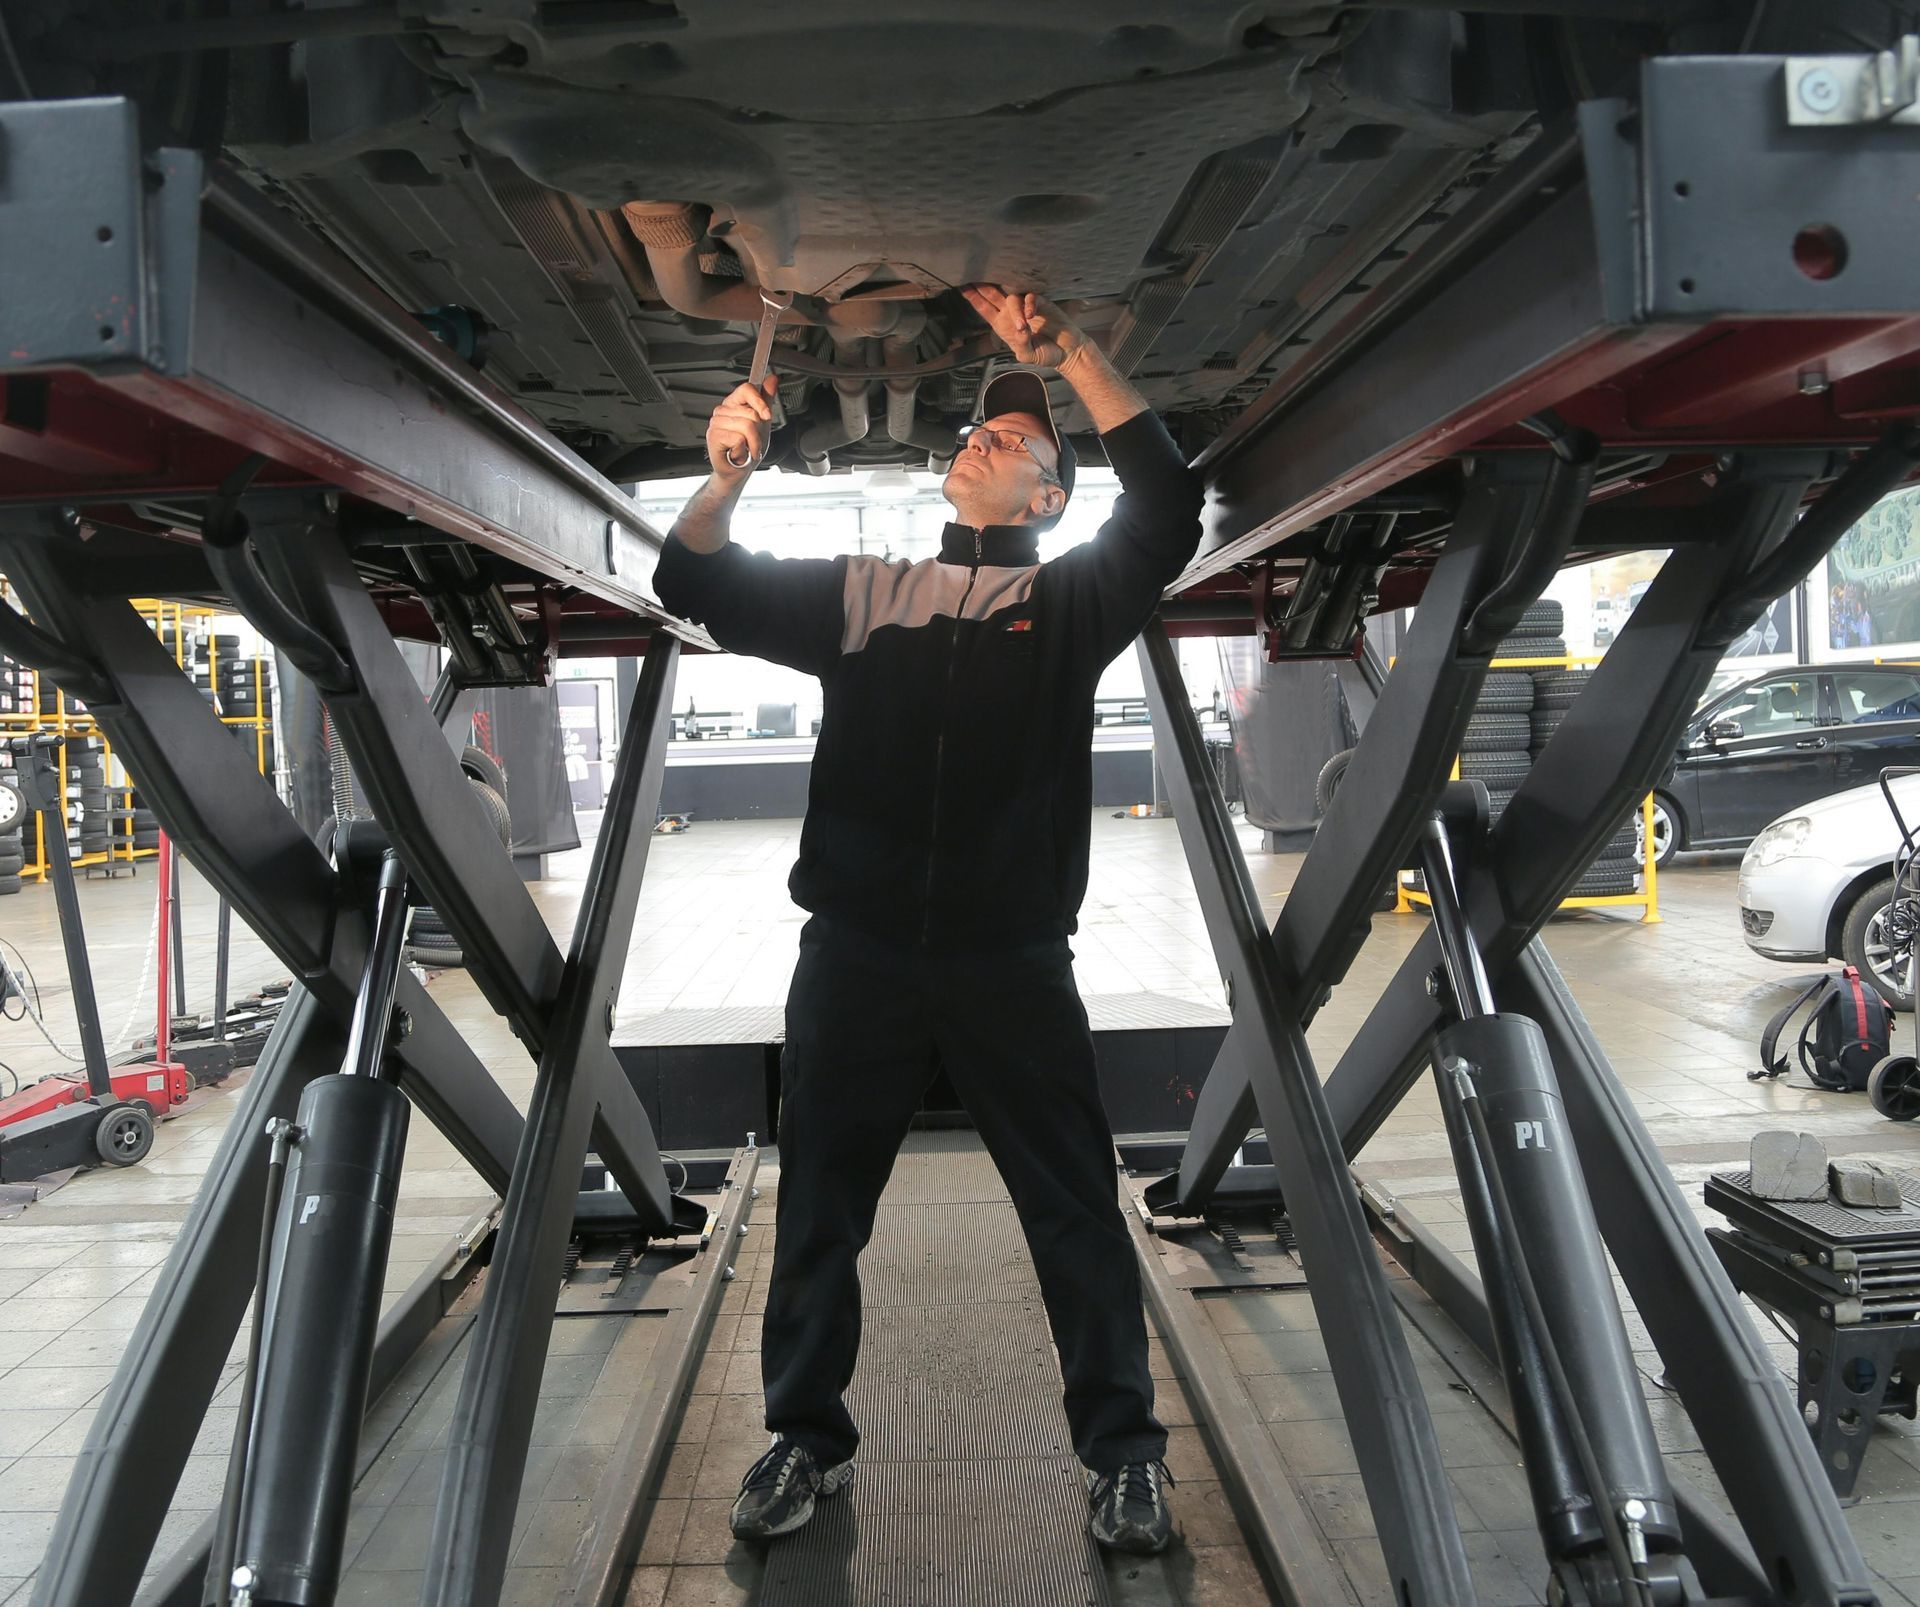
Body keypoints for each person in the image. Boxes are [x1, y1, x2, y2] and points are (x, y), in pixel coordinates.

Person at [653, 284, 1204, 1556]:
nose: (983, 438)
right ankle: (803, 1436)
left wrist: (1073, 358)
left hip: (1013, 960)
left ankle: (1123, 1455)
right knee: (821, 1210)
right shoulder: (865, 590)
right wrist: (725, 475)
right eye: (982, 430)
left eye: (1016, 442)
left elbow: (1168, 510)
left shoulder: (1068, 607)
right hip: (857, 956)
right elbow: (697, 582)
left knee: (1073, 1205)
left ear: (1050, 501)